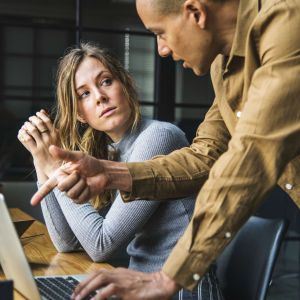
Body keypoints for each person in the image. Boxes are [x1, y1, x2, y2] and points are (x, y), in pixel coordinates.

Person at [30, 0, 300, 298]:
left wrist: (170, 276)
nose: (161, 49)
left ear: (195, 12)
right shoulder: (223, 67)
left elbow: (250, 156)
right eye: (83, 94)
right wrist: (110, 172)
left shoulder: (287, 26)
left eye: (161, 32)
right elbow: (205, 156)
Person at [18, 42, 224, 300]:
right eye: (84, 94)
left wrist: (56, 168)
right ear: (80, 115)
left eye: (105, 82)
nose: (99, 97)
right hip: (140, 289)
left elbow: (100, 245)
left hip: (181, 291)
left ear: (125, 84)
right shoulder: (110, 151)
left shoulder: (158, 137)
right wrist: (42, 160)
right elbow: (67, 244)